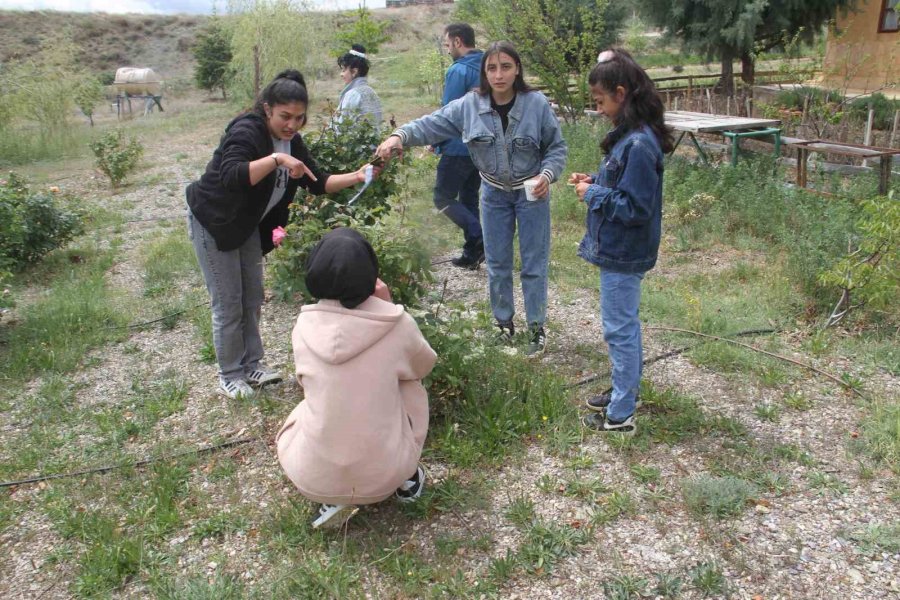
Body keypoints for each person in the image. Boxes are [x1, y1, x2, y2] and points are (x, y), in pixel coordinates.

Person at [186, 70, 380, 400]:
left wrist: (357, 175)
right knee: (229, 302)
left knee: (252, 297)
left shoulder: (292, 142)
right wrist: (275, 159)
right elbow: (232, 175)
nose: (291, 125)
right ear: (267, 109)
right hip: (213, 221)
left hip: (244, 226)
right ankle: (230, 374)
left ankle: (251, 364)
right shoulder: (247, 130)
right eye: (284, 117)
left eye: (299, 118)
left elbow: (317, 182)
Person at [377, 41, 567, 357]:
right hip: (492, 194)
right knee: (497, 262)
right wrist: (399, 136)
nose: (499, 74)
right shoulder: (470, 105)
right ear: (484, 72)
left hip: (531, 194)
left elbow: (556, 149)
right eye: (491, 68)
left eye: (505, 66)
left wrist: (546, 175)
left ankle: (536, 329)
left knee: (534, 263)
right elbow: (431, 124)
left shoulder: (536, 104)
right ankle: (503, 325)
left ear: (517, 69)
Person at [276, 227, 437, 529]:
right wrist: (389, 306)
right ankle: (407, 477)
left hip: (311, 474)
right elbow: (424, 365)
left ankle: (333, 491)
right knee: (410, 382)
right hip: (385, 471)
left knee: (321, 397)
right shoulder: (395, 323)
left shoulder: (303, 326)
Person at [569, 49, 674, 435]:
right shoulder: (630, 137)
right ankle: (622, 391)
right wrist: (596, 182)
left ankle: (621, 415)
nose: (598, 109)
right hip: (617, 249)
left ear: (620, 92)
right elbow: (626, 189)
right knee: (620, 326)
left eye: (599, 101)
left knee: (620, 329)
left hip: (624, 252)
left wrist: (591, 195)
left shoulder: (639, 144)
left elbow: (635, 209)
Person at [436, 23, 484, 269]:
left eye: (447, 44)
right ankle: (472, 253)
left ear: (457, 42)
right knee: (468, 198)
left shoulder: (458, 71)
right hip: (481, 147)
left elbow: (448, 114)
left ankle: (479, 237)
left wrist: (435, 141)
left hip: (457, 146)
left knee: (441, 197)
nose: (447, 50)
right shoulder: (489, 65)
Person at [333, 44, 383, 128]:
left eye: (344, 70)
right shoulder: (372, 92)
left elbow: (342, 127)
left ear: (354, 72)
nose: (341, 74)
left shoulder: (352, 94)